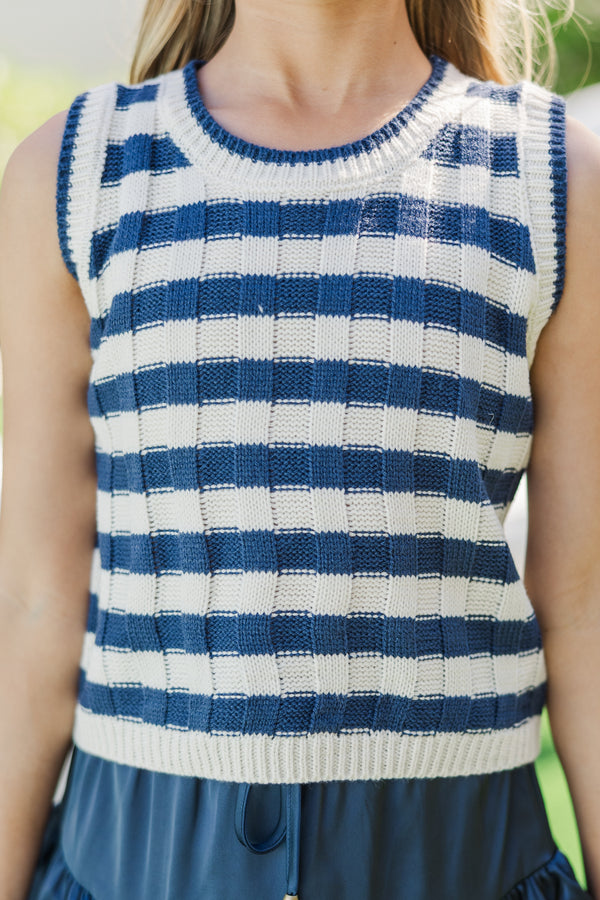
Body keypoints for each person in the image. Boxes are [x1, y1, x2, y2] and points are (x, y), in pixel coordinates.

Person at [1, 0, 600, 897]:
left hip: (459, 860)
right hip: (131, 858)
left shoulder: (552, 180)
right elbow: (31, 603)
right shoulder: (77, 172)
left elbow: (586, 608)